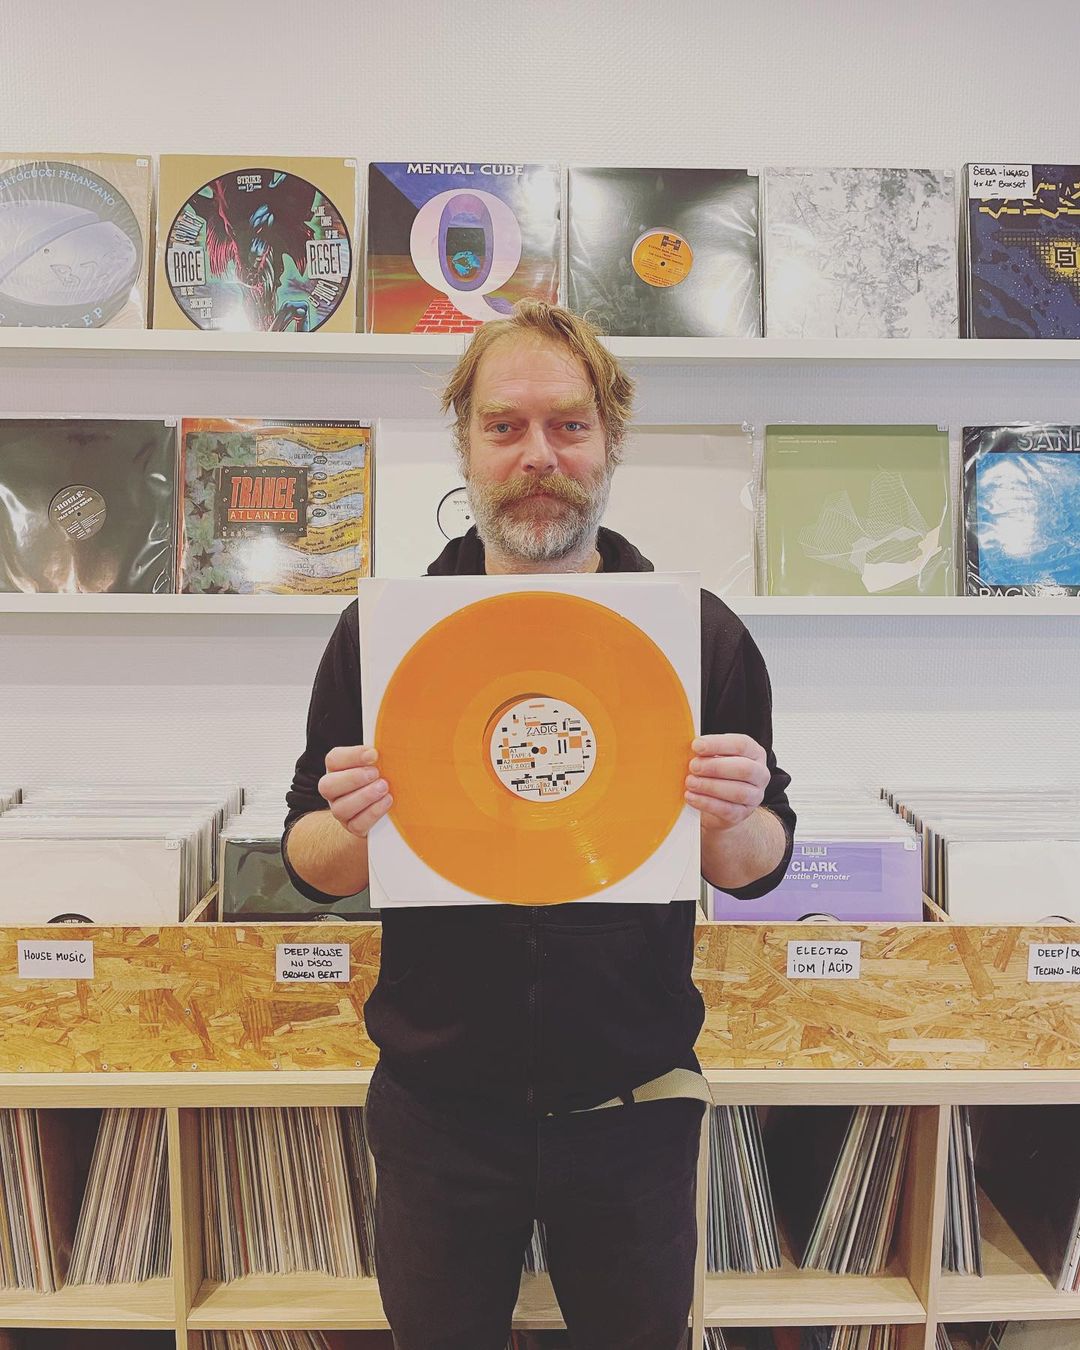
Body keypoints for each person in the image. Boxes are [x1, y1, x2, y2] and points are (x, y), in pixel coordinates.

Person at [282, 301, 795, 1350]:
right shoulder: (382, 635)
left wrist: (735, 813)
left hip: (633, 1111)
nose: (538, 456)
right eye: (504, 426)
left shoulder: (697, 635)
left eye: (569, 425)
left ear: (610, 440)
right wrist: (353, 824)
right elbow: (311, 864)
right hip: (437, 1115)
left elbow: (756, 869)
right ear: (466, 443)